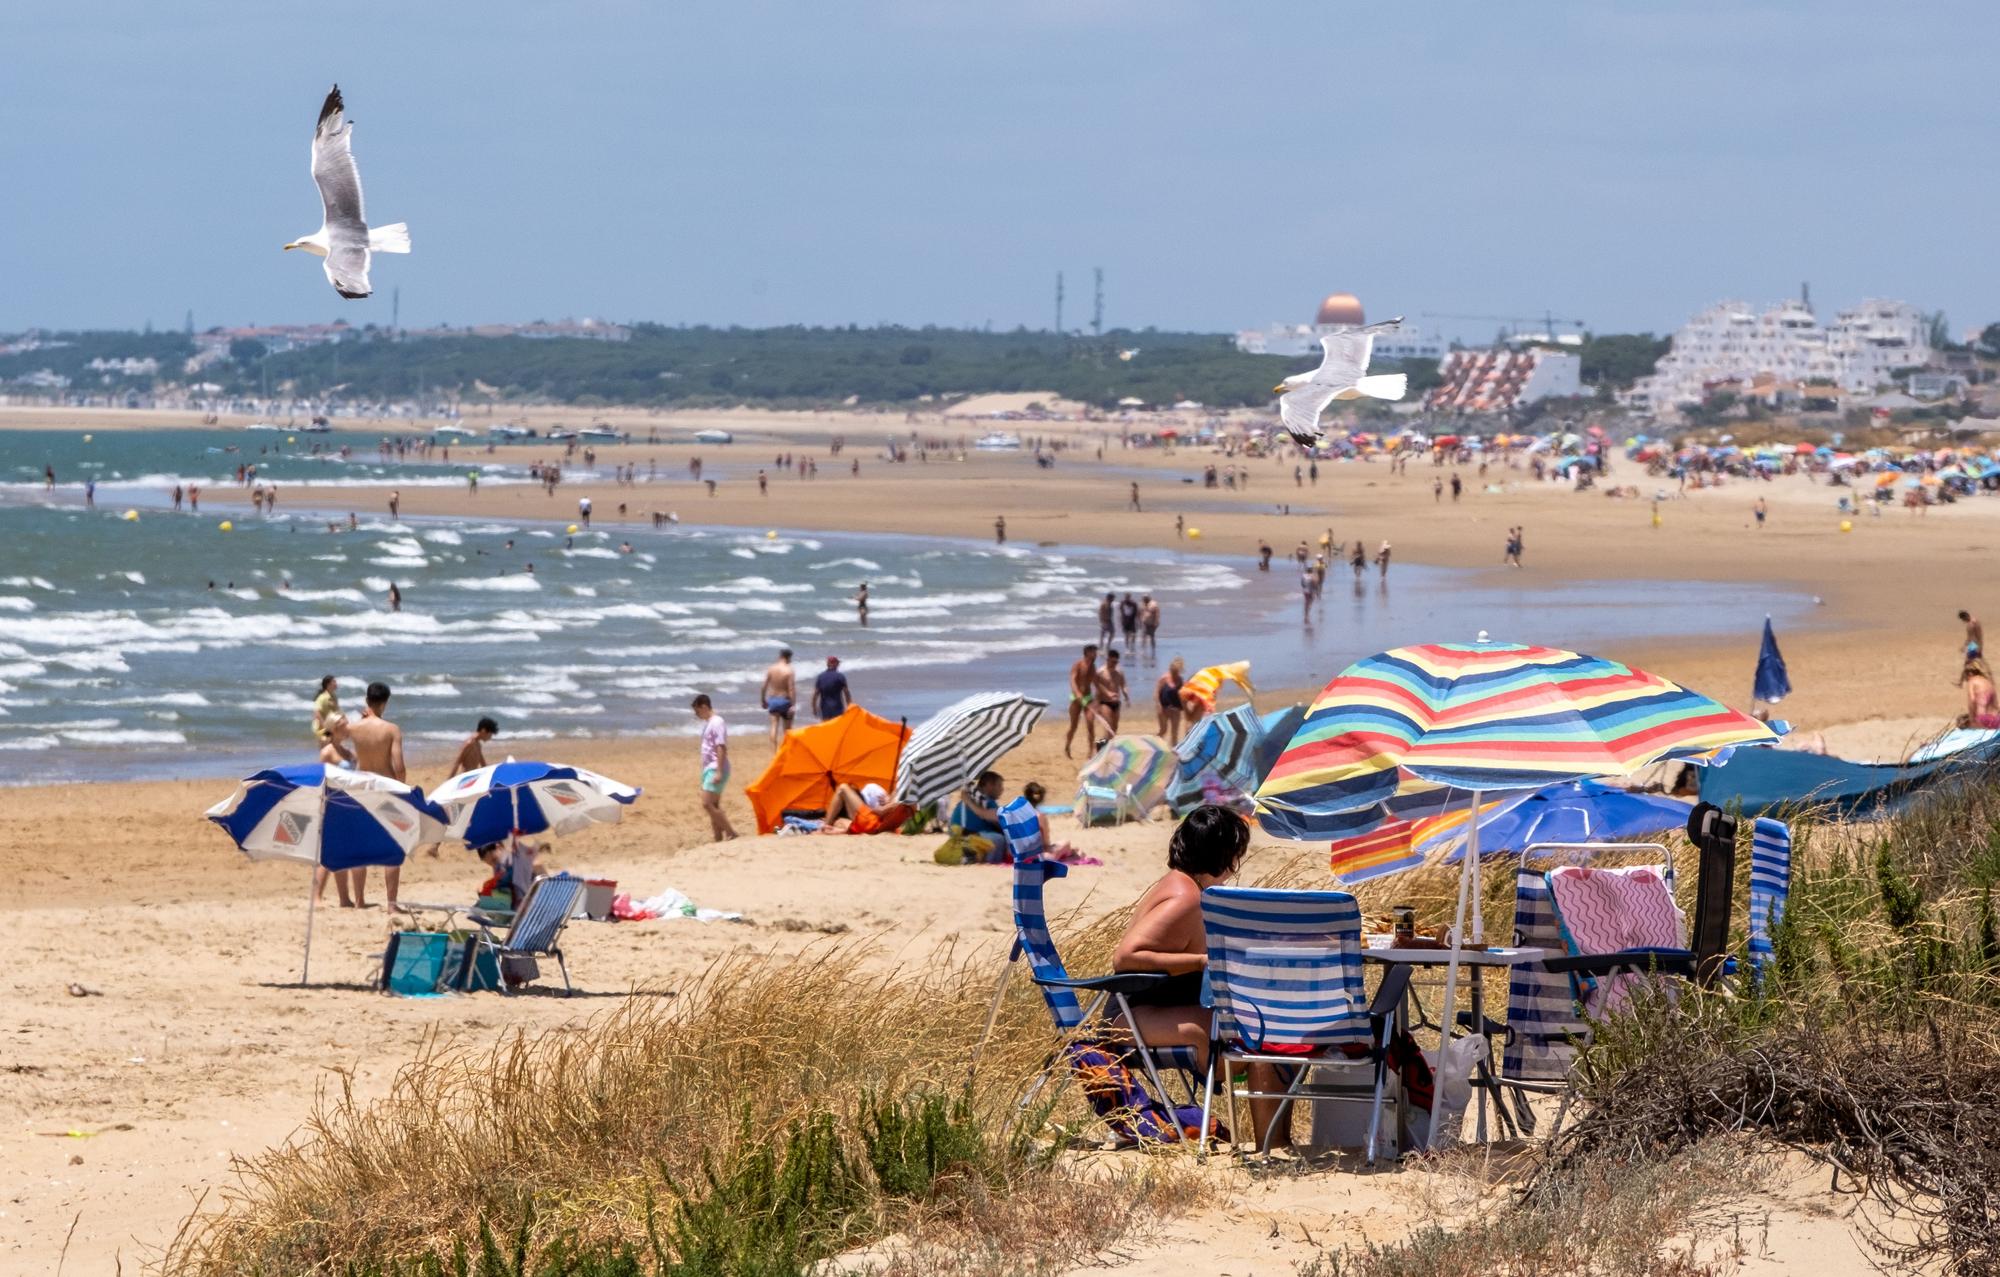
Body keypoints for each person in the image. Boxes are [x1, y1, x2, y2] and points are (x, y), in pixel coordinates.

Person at [1112, 805, 1290, 1151]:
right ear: (1224, 856)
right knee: (1260, 1034)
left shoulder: (1184, 887)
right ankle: (1274, 1145)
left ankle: (1274, 1141)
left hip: (1149, 1009)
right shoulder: (1185, 897)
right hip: (1130, 1015)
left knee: (1263, 1029)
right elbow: (1125, 956)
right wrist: (1200, 962)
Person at [346, 682, 407, 908]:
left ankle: (360, 900)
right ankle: (391, 903)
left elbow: (328, 738)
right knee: (392, 845)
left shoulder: (354, 728)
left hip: (361, 788)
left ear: (367, 701)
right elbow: (399, 765)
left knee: (359, 844)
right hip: (385, 789)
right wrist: (403, 790)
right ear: (385, 702)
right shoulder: (391, 729)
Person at [692, 694, 739, 840]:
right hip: (710, 768)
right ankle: (718, 836)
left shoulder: (717, 722)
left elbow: (721, 747)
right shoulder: (710, 723)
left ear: (704, 707)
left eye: (697, 711)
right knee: (714, 805)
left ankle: (731, 832)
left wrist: (718, 771)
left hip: (716, 768)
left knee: (706, 803)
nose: (697, 715)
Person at [954, 769, 1008, 850]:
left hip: (956, 834)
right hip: (972, 836)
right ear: (989, 785)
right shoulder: (987, 801)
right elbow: (1001, 825)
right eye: (999, 785)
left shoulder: (970, 798)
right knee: (1001, 839)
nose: (1002, 789)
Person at [1064, 644, 1100, 758]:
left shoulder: (1093, 667)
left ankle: (1090, 752)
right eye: (1093, 652)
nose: (1096, 654)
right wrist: (1077, 693)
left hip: (1088, 698)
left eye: (1096, 652)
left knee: (1090, 723)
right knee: (1074, 726)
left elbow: (1096, 683)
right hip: (1076, 698)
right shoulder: (1078, 665)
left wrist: (1101, 694)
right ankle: (1067, 746)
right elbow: (1072, 680)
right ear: (1087, 653)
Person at [760, 648, 797, 744]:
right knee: (787, 730)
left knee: (774, 726)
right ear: (789, 658)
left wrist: (763, 700)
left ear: (780, 656)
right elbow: (791, 689)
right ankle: (786, 753)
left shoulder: (771, 668)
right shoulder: (789, 670)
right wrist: (793, 705)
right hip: (785, 701)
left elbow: (764, 686)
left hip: (773, 700)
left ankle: (774, 753)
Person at [1095, 648, 1129, 741]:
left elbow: (1123, 685)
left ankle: (1103, 744)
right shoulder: (1100, 672)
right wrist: (1096, 705)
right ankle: (1103, 748)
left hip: (1116, 703)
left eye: (1116, 662)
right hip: (1104, 703)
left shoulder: (1119, 672)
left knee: (1115, 728)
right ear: (1108, 659)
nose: (1114, 664)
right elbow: (1097, 688)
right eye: (1113, 662)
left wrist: (1126, 695)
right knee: (1109, 727)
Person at [1156, 657, 1187, 742]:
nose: (1175, 673)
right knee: (1163, 730)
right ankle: (1154, 745)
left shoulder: (1181, 680)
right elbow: (1156, 694)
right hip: (1164, 708)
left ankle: (1174, 752)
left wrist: (1186, 706)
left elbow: (1183, 695)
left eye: (1177, 671)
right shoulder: (1164, 678)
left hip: (1176, 709)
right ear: (1171, 669)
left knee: (1175, 733)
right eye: (1174, 671)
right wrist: (1159, 705)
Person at [1964, 658, 2000, 729]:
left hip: (1982, 718)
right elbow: (1996, 704)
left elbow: (1972, 700)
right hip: (1996, 719)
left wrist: (1972, 720)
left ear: (1969, 673)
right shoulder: (1989, 683)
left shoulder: (1972, 681)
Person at [814, 656, 851, 721]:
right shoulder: (840, 676)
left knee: (826, 728)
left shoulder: (821, 677)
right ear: (834, 664)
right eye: (837, 663)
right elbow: (846, 693)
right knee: (837, 729)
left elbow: (815, 695)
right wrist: (850, 707)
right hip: (837, 708)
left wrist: (814, 707)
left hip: (824, 708)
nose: (838, 665)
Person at [311, 674, 340, 748]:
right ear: (328, 684)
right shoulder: (323, 697)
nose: (336, 684)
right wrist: (324, 726)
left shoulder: (333, 696)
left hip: (329, 727)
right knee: (328, 746)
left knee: (330, 746)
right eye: (334, 682)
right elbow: (316, 713)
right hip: (321, 728)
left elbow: (336, 712)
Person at [1140, 595, 1160, 659]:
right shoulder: (1143, 604)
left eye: (1145, 599)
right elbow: (1141, 613)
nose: (1144, 600)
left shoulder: (1153, 604)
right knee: (1143, 636)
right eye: (1143, 599)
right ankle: (1143, 649)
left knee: (1152, 637)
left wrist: (1156, 622)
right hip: (1145, 623)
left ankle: (1153, 649)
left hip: (1152, 624)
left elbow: (1157, 614)